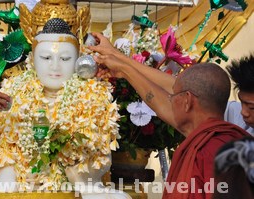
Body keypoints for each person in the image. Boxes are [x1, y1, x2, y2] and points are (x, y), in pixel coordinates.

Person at [89, 33, 249, 199]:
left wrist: (123, 65)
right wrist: (121, 63)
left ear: (187, 101)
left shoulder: (217, 152)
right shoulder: (209, 135)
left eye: (173, 97)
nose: (169, 100)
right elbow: (176, 91)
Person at [0, 18, 122, 197]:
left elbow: (102, 160)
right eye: (46, 57)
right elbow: (1, 152)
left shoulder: (94, 96)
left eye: (65, 58)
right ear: (32, 60)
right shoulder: (11, 94)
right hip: (26, 189)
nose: (55, 66)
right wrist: (8, 179)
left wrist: (76, 174)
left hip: (76, 187)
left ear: (78, 59)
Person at [89, 32, 254, 136]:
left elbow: (186, 121)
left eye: (251, 107)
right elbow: (180, 86)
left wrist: (125, 70)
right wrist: (118, 57)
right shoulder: (237, 116)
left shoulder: (229, 139)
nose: (244, 113)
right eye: (243, 103)